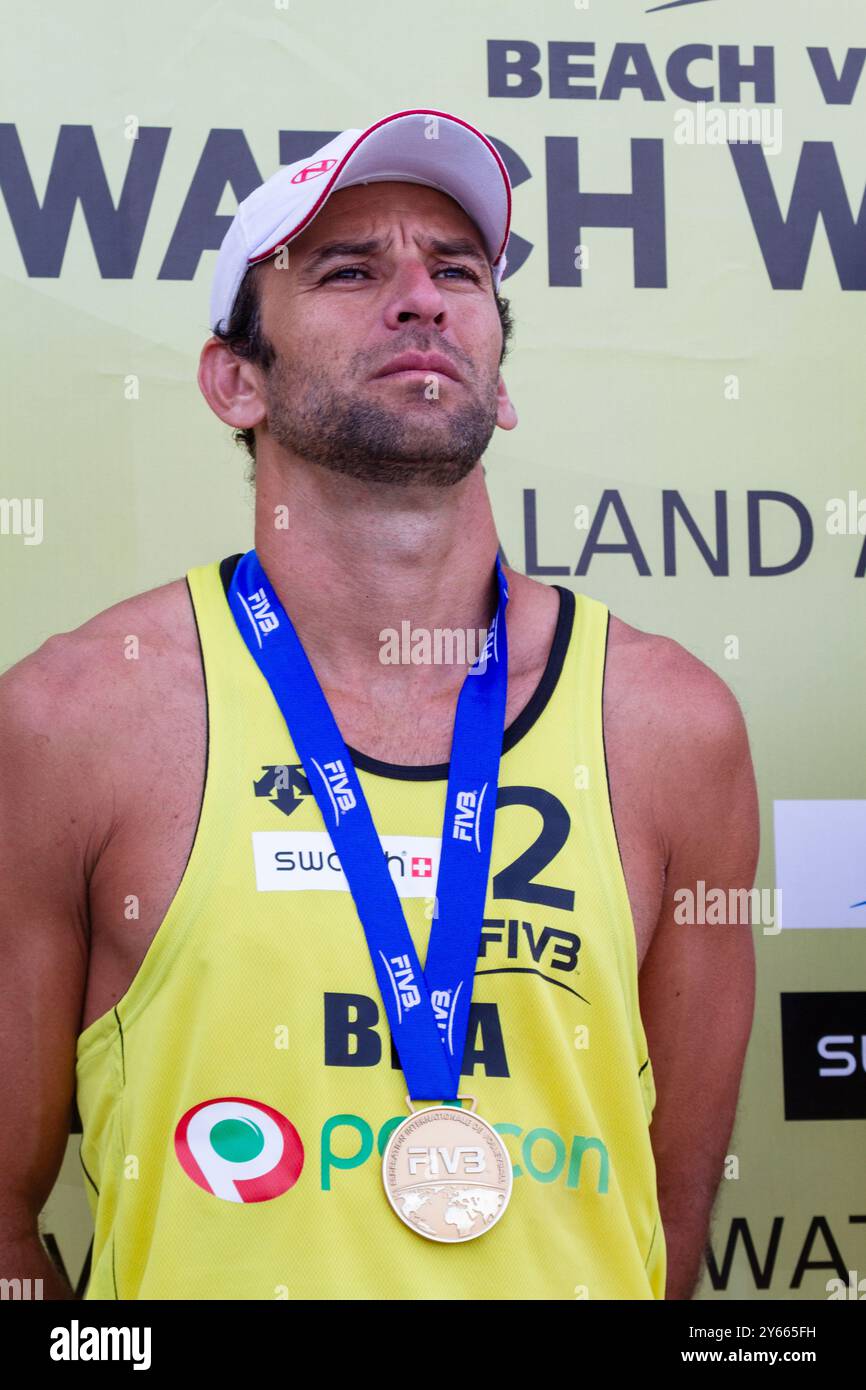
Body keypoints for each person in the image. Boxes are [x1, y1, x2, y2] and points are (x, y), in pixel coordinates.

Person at [0, 109, 758, 1300]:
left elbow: (663, 1225)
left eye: (456, 271)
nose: (422, 298)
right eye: (350, 270)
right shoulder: (73, 720)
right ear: (233, 380)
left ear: (497, 384)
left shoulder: (670, 726)